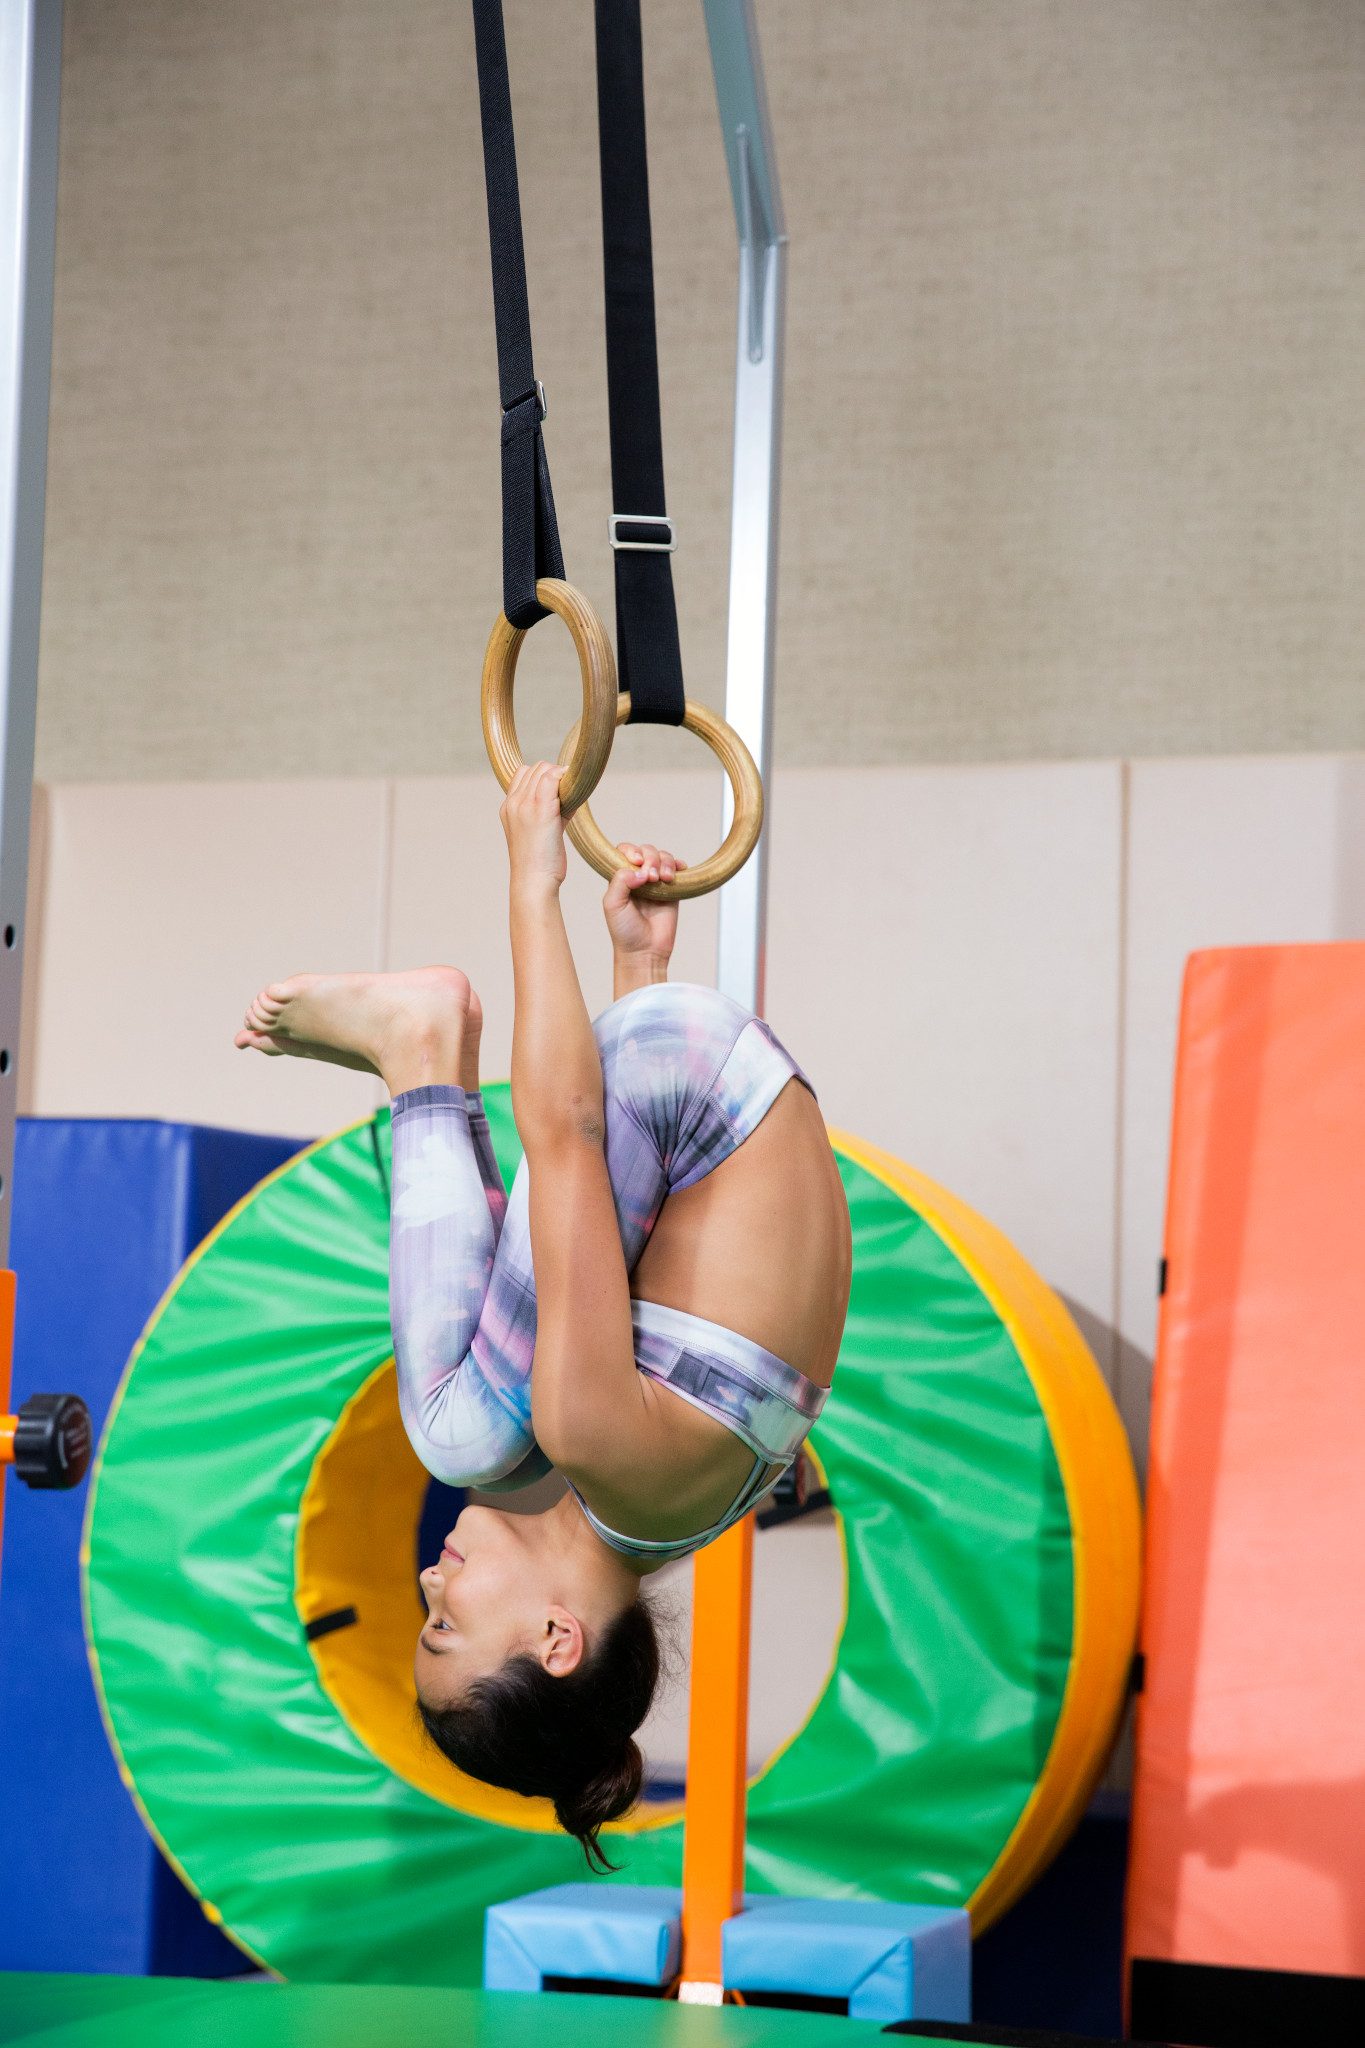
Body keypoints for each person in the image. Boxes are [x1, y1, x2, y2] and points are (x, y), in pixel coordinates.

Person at [234, 761, 851, 1865]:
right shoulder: (596, 1441)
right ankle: (422, 1046)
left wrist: (636, 965)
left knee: (491, 1450)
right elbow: (566, 1126)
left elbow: (644, 1239)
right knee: (459, 1432)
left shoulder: (679, 1515)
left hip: (720, 1092)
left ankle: (455, 1046)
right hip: (693, 1082)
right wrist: (534, 874)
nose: (429, 1577)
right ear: (558, 1639)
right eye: (445, 1620)